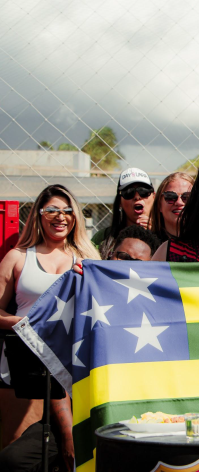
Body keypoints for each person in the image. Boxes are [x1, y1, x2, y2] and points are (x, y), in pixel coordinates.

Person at [0, 184, 98, 467]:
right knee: (17, 456)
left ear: (75, 217)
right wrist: (24, 324)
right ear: (38, 216)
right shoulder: (17, 257)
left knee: (72, 453)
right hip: (24, 367)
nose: (60, 217)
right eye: (51, 210)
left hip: (72, 368)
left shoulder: (88, 261)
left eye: (67, 211)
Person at [92, 168, 155, 259]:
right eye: (128, 192)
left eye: (144, 191)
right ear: (120, 202)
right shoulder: (103, 238)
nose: (137, 197)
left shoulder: (166, 236)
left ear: (154, 197)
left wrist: (156, 233)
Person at [150, 172, 194, 242]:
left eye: (187, 197)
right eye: (170, 197)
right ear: (159, 205)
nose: (179, 202)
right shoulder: (148, 246)